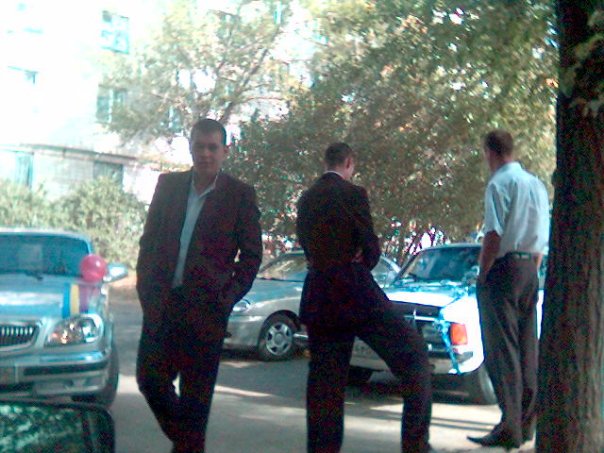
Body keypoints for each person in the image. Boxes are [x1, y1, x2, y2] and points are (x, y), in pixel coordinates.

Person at [135, 118, 263, 453]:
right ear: (190, 148)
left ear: (225, 151)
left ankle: (189, 444)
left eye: (212, 147)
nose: (205, 153)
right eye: (199, 146)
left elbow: (252, 256)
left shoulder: (239, 195)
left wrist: (226, 299)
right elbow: (148, 242)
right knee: (150, 381)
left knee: (196, 401)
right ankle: (190, 443)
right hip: (162, 306)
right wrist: (146, 290)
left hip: (206, 312)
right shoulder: (168, 185)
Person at [296, 142, 433, 453]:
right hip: (354, 289)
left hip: (319, 293)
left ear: (325, 162)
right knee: (414, 359)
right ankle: (416, 444)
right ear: (349, 163)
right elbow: (370, 246)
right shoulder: (353, 194)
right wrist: (361, 258)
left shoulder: (307, 198)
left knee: (325, 386)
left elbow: (306, 243)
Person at [467, 130, 549, 449]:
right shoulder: (536, 185)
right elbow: (540, 236)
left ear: (490, 151)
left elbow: (493, 234)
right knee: (528, 348)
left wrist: (483, 272)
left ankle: (509, 425)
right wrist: (532, 268)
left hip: (503, 269)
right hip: (530, 268)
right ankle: (527, 423)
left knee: (502, 349)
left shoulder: (499, 183)